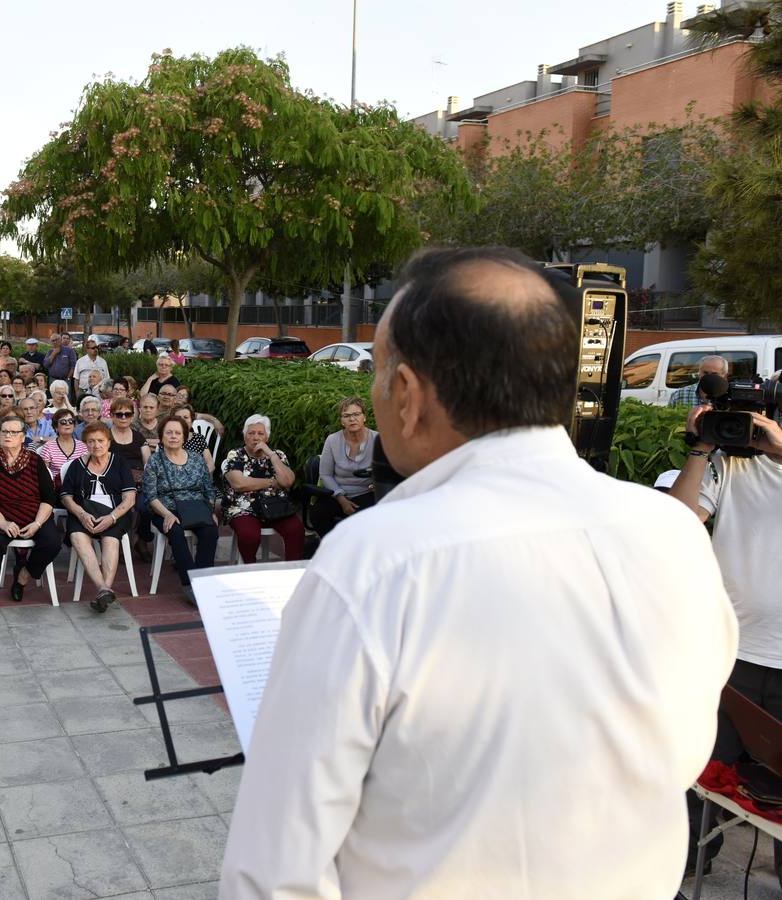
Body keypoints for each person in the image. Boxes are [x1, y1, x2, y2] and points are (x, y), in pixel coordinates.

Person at [219, 245, 737, 900]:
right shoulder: (674, 536)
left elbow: (273, 871)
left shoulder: (373, 564)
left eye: (380, 374)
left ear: (407, 396)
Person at [669, 373, 782, 879]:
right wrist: (701, 448)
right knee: (704, 777)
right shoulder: (734, 462)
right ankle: (685, 868)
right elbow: (676, 521)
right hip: (733, 652)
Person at [0, 415, 62, 620]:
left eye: (14, 432)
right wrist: (3, 523)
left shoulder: (34, 461)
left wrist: (38, 523)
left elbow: (49, 496)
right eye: (4, 431)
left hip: (34, 515)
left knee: (52, 543)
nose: (8, 435)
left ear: (23, 437)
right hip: (2, 516)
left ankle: (23, 576)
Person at [60, 421, 136, 613]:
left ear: (109, 442)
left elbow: (130, 498)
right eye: (91, 441)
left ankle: (103, 589)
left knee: (110, 537)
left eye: (100, 441)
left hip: (115, 514)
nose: (96, 445)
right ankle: (103, 589)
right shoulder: (77, 465)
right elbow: (66, 496)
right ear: (85, 443)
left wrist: (111, 517)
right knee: (77, 535)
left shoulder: (119, 462)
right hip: (84, 513)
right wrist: (81, 514)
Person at [142, 415, 219, 597]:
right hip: (164, 508)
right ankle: (189, 584)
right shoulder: (155, 461)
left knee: (210, 530)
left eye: (178, 433)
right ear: (161, 436)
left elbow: (209, 489)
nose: (174, 436)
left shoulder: (196, 459)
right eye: (169, 433)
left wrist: (211, 511)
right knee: (175, 531)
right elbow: (150, 495)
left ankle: (202, 581)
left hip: (195, 507)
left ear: (184, 436)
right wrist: (167, 514)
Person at [220, 415, 304, 563]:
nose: (255, 437)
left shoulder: (278, 455)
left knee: (296, 529)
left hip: (275, 505)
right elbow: (239, 484)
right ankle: (251, 569)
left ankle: (292, 573)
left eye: (260, 433)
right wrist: (272, 482)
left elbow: (287, 481)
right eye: (251, 433)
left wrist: (271, 455)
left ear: (267, 437)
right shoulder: (236, 455)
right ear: (245, 436)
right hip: (243, 507)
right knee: (249, 535)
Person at [315, 396, 379, 534]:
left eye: (356, 414)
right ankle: (332, 550)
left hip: (366, 491)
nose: (352, 419)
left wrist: (378, 482)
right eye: (347, 415)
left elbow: (386, 470)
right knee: (318, 512)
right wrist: (341, 498)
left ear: (364, 417)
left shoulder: (378, 439)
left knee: (368, 519)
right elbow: (325, 474)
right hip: (337, 492)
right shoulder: (332, 440)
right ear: (342, 421)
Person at [39, 409, 86, 486]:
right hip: (56, 488)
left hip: (78, 486)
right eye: (63, 422)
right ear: (56, 427)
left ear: (74, 426)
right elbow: (44, 474)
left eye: (71, 421)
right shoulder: (49, 446)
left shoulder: (83, 446)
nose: (67, 424)